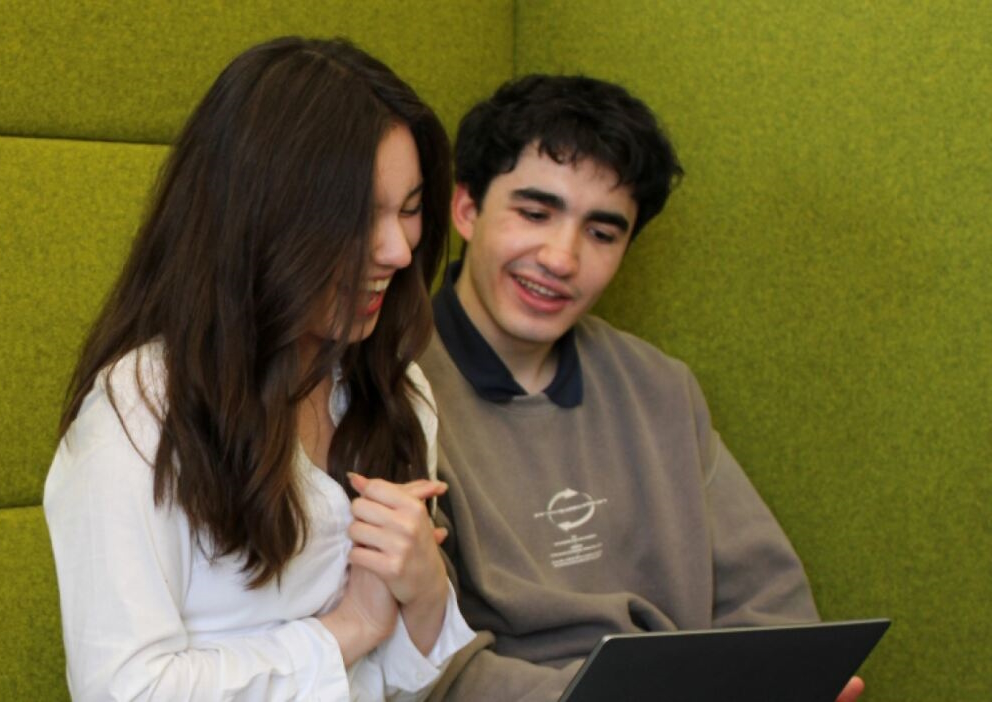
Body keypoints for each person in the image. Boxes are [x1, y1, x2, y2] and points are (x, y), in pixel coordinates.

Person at [44, 36, 473, 701]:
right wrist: (349, 628)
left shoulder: (395, 387)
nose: (397, 249)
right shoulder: (139, 413)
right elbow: (126, 691)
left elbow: (396, 683)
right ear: (261, 220)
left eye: (411, 210)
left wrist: (426, 593)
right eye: (361, 218)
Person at [419, 75, 865, 702]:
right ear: (466, 208)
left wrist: (786, 679)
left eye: (602, 233)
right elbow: (424, 669)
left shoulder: (660, 387)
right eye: (535, 213)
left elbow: (770, 603)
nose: (561, 258)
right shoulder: (388, 391)